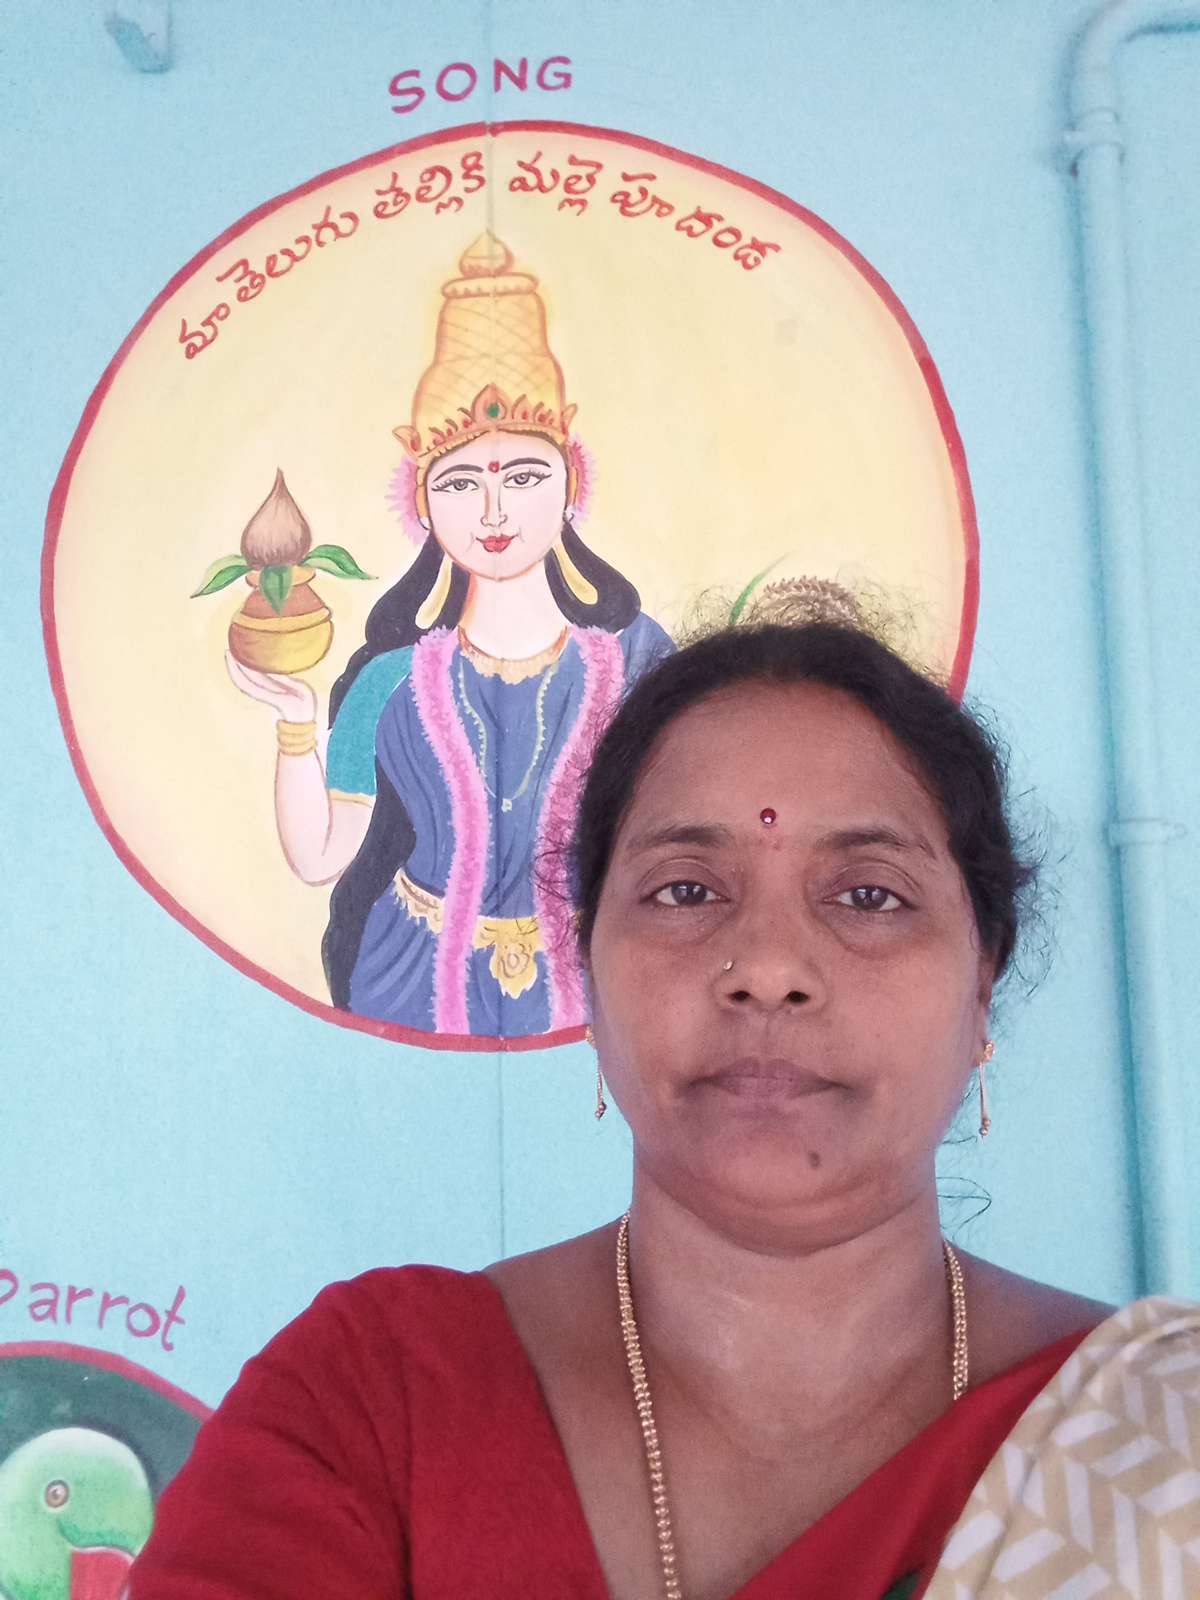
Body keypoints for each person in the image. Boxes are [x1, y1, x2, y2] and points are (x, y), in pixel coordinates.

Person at [131, 621, 1199, 1599]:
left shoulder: (1163, 1445)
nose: (769, 968)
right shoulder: (371, 1408)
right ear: (589, 976)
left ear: (981, 987)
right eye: (686, 890)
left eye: (868, 894)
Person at [228, 231, 671, 1039]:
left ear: (571, 482)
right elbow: (319, 858)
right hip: (409, 974)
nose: (494, 512)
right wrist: (296, 725)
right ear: (423, 504)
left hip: (603, 979)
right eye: (461, 483)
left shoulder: (639, 662)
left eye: (525, 476)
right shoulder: (387, 681)